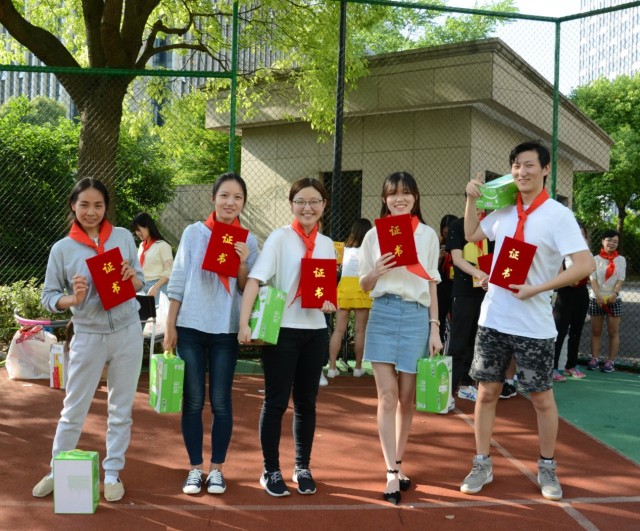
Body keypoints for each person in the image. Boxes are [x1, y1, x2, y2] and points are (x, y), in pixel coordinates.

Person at [460, 141, 594, 502]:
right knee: (486, 392)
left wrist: (539, 288)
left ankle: (547, 466)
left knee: (541, 399)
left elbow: (584, 266)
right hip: (494, 318)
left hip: (534, 325)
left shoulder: (557, 215)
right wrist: (471, 198)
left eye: (529, 165)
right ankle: (482, 462)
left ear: (546, 169)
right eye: (516, 165)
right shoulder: (503, 208)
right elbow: (472, 235)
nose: (521, 171)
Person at [33, 177, 145, 503]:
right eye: (84, 205)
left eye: (98, 205)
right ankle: (58, 470)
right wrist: (72, 299)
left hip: (127, 332)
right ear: (73, 205)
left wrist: (131, 277)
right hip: (88, 336)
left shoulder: (123, 237)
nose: (92, 211)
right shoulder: (62, 249)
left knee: (121, 409)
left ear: (106, 206)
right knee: (74, 409)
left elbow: (139, 280)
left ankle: (112, 473)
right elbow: (49, 296)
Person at [238, 178, 336, 498]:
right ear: (292, 204)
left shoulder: (326, 244)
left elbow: (323, 291)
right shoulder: (280, 238)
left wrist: (328, 304)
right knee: (277, 402)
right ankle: (271, 470)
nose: (307, 208)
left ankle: (302, 467)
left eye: (314, 201)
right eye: (300, 201)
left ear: (324, 205)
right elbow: (255, 280)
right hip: (281, 332)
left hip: (315, 332)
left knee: (307, 403)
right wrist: (244, 324)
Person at [164, 173, 258, 496]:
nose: (230, 202)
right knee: (192, 401)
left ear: (243, 203)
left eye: (238, 198)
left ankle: (216, 469)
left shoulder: (249, 240)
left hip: (225, 330)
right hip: (190, 327)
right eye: (225, 196)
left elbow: (246, 288)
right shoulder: (193, 233)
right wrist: (170, 325)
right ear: (213, 198)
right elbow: (177, 279)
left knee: (221, 401)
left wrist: (243, 262)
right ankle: (194, 468)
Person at [359, 171, 442, 504]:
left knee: (407, 398)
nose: (400, 198)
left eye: (406, 192)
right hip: (383, 311)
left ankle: (398, 462)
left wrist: (434, 326)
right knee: (388, 396)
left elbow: (432, 283)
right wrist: (376, 272)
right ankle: (391, 473)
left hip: (417, 317)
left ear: (416, 196)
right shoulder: (372, 236)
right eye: (393, 193)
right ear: (384, 198)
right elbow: (364, 284)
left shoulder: (427, 235)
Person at [445, 207, 491, 402]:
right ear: (467, 202)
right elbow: (457, 259)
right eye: (474, 201)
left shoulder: (490, 226)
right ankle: (447, 389)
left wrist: (490, 278)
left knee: (476, 341)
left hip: (486, 291)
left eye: (483, 201)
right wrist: (478, 273)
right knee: (458, 342)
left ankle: (467, 385)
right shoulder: (457, 226)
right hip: (463, 292)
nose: (478, 207)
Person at [327, 218, 373, 379]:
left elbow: (336, 266)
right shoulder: (369, 251)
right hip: (362, 288)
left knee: (338, 330)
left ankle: (332, 368)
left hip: (345, 288)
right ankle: (358, 368)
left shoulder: (344, 250)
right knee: (361, 331)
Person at [552, 222, 590, 381]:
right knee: (559, 331)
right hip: (564, 294)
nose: (580, 237)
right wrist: (569, 280)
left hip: (581, 294)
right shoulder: (560, 252)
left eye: (582, 235)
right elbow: (557, 275)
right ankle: (552, 368)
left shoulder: (586, 253)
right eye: (577, 234)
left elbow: (590, 269)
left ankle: (571, 366)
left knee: (576, 331)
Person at [587, 229, 625, 373]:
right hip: (596, 299)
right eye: (609, 240)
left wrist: (615, 293)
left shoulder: (621, 260)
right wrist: (598, 296)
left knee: (613, 332)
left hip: (614, 300)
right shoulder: (595, 259)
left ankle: (610, 362)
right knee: (596, 331)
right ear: (603, 241)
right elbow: (593, 279)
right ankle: (595, 359)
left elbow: (620, 279)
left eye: (615, 241)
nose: (612, 243)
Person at [130, 212, 174, 304]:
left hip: (158, 287)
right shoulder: (142, 246)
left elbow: (169, 271)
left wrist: (155, 287)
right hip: (142, 287)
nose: (137, 233)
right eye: (135, 230)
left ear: (147, 226)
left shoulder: (163, 245)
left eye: (138, 229)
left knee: (157, 316)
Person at [437, 214, 457, 345]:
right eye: (445, 233)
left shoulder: (461, 242)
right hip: (441, 286)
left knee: (456, 319)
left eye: (450, 233)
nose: (447, 236)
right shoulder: (438, 243)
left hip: (456, 286)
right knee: (439, 317)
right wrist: (439, 257)